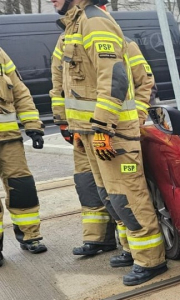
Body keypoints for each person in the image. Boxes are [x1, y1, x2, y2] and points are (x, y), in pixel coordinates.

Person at [51, 0, 166, 285]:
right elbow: (71, 87)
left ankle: (151, 260)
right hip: (91, 132)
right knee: (110, 197)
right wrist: (74, 127)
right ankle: (131, 250)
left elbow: (115, 78)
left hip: (112, 133)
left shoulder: (95, 21)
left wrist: (103, 126)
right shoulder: (73, 27)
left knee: (128, 196)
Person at [0, 45, 47, 267]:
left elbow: (19, 91)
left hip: (9, 139)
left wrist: (33, 125)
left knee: (23, 188)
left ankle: (31, 237)